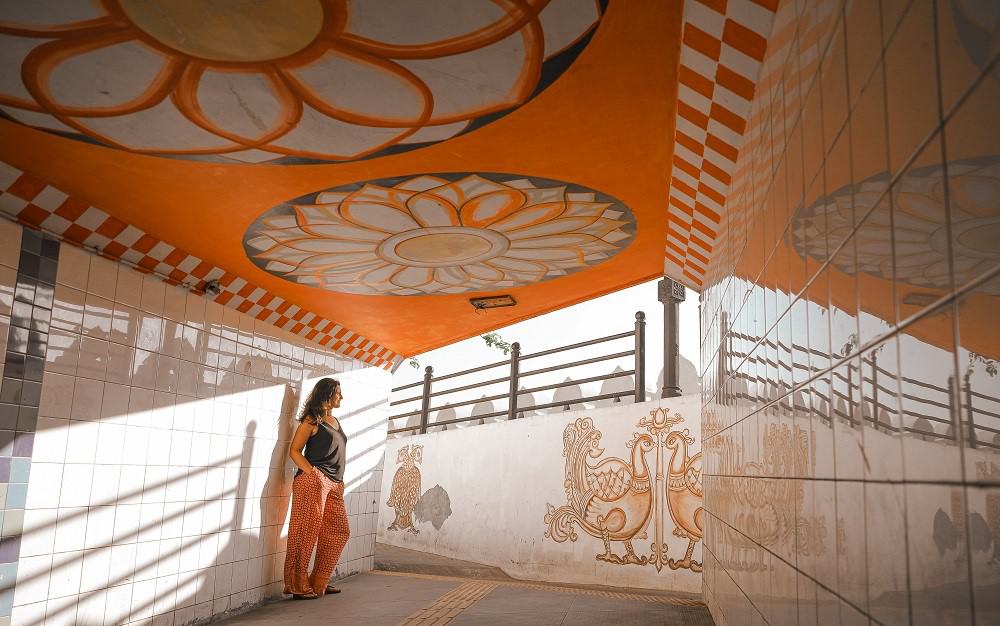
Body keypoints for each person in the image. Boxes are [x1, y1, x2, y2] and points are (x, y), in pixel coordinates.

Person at [283, 378, 351, 599]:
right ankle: (297, 585)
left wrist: (338, 480)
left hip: (335, 484)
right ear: (328, 394)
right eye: (338, 393)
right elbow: (294, 450)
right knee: (305, 533)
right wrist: (313, 474)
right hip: (314, 481)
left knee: (339, 531)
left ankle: (318, 581)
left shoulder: (335, 420)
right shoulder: (312, 420)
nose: (341, 397)